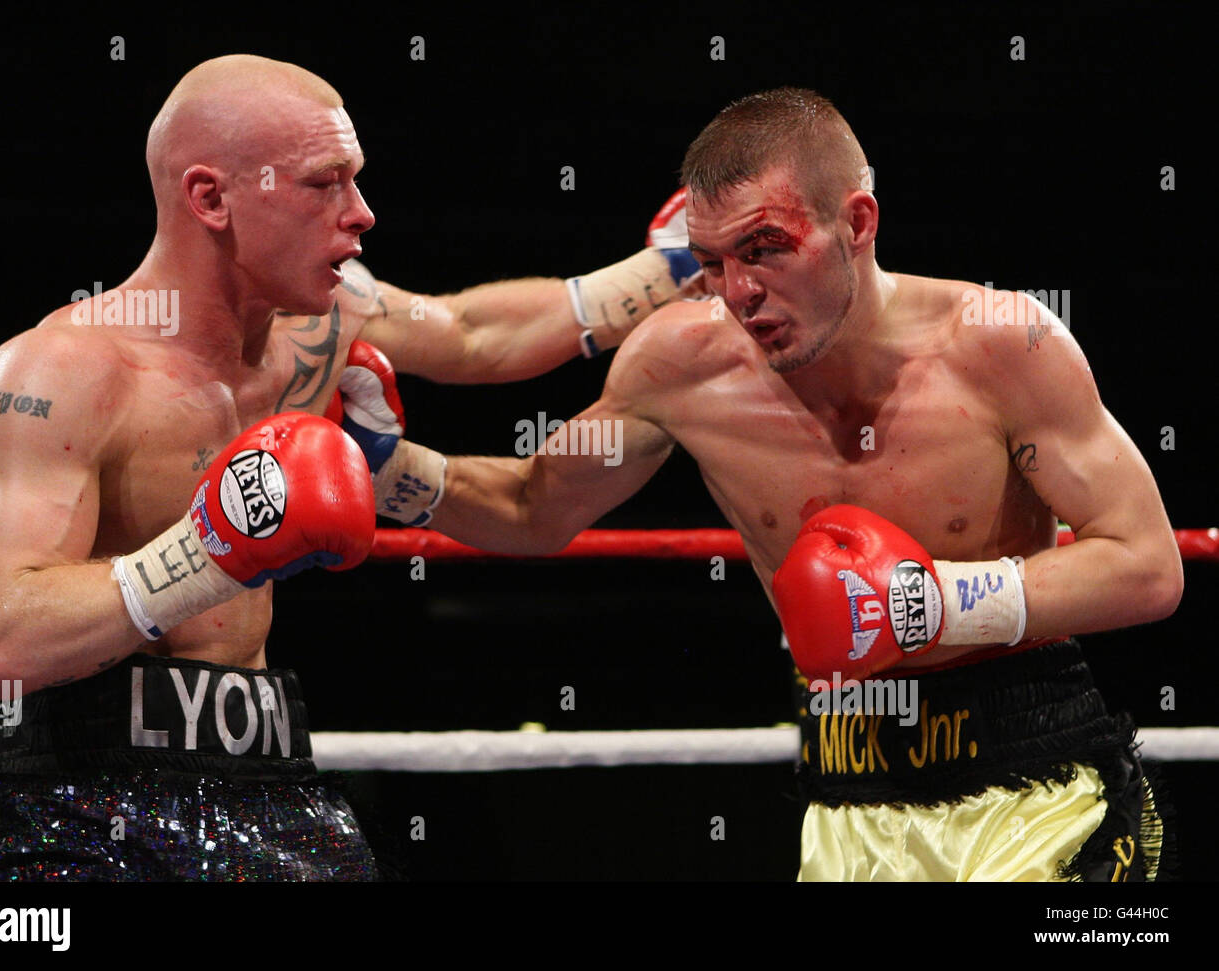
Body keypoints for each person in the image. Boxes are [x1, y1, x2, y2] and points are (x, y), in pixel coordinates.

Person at [366, 86, 1183, 881]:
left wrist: (932, 603)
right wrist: (380, 469)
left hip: (1039, 793)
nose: (739, 292)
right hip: (846, 798)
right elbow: (530, 508)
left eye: (765, 250)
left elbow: (1146, 564)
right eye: (715, 261)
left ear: (856, 223)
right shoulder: (679, 366)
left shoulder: (1004, 346)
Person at [0, 53, 696, 882]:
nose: (362, 213)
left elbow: (477, 335)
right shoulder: (58, 372)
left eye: (357, 180)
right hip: (82, 806)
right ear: (210, 198)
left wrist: (671, 266)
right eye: (325, 184)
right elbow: (5, 633)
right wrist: (213, 548)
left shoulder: (321, 324)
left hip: (276, 785)